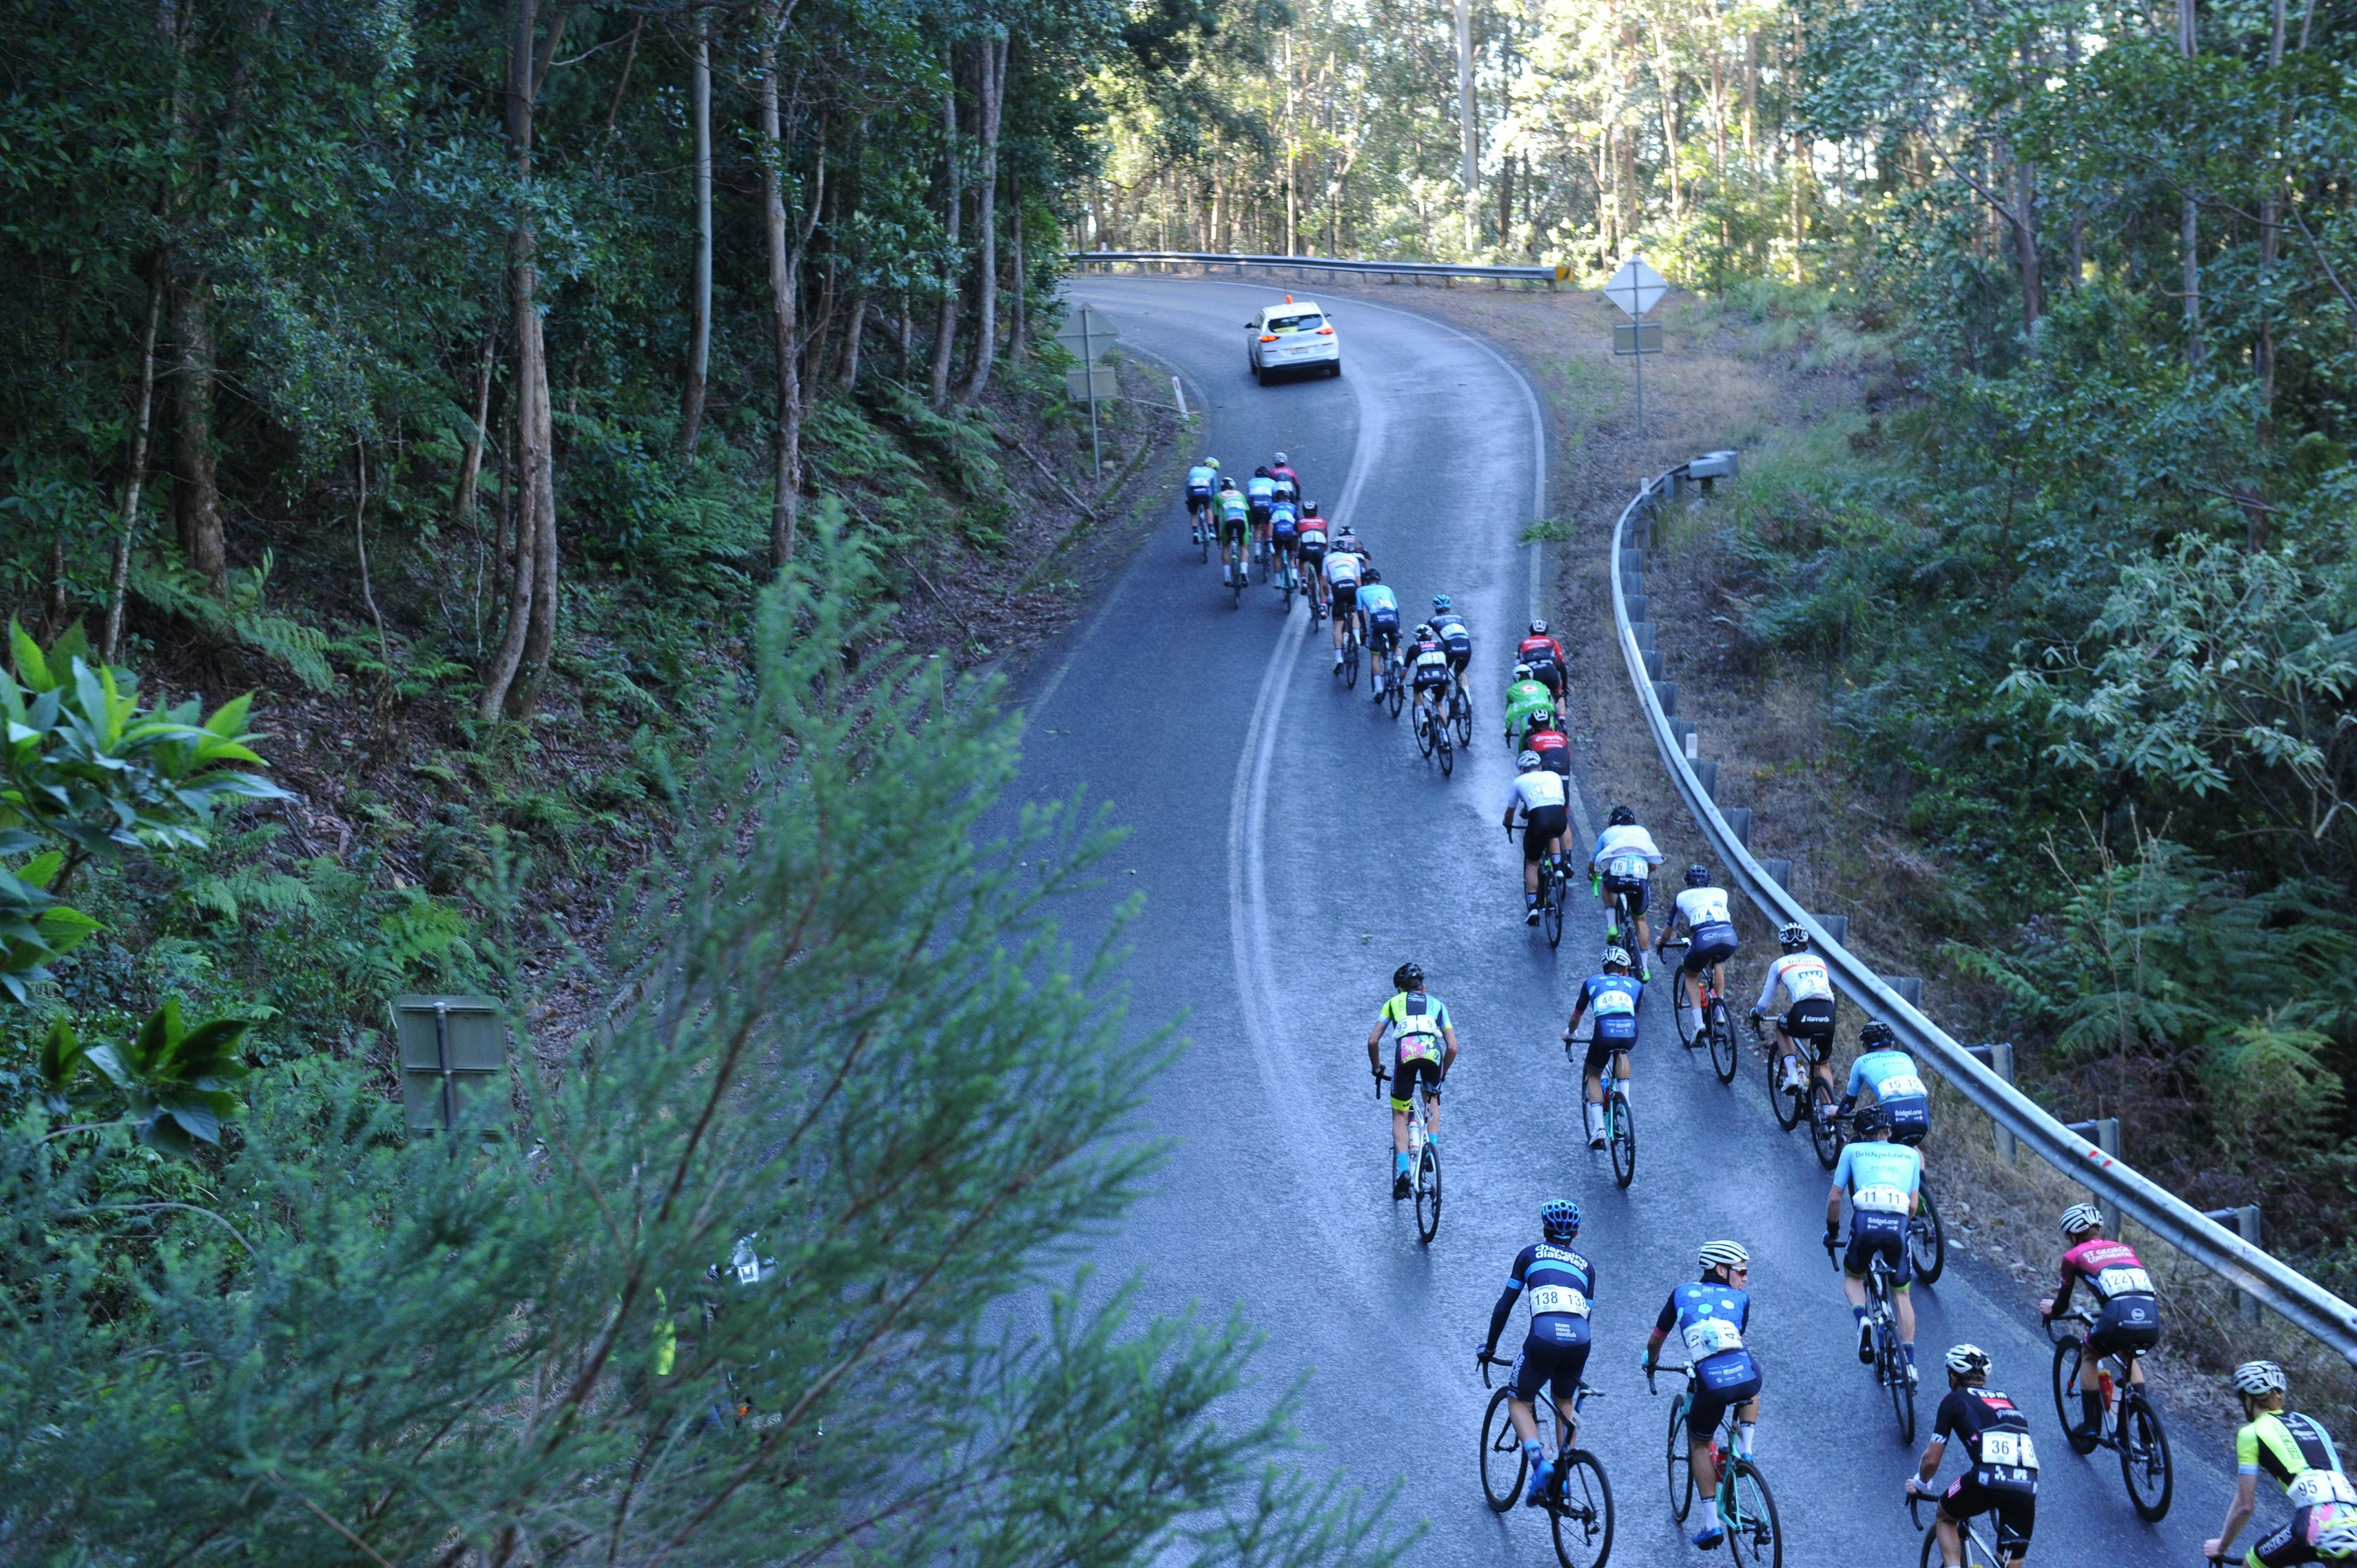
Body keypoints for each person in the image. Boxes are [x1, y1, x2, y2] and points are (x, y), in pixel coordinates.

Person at [1644, 1240, 1763, 1551]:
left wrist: (1651, 1362)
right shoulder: (1742, 1299)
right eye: (1742, 1271)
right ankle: (1745, 1453)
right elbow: (1735, 1340)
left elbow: (1656, 1340)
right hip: (1742, 1372)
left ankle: (1712, 1525)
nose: (1745, 1278)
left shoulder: (1681, 1293)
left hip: (1710, 1381)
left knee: (1699, 1442)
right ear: (1721, 1270)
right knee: (1750, 1382)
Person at [1479, 1199, 1598, 1506]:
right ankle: (1565, 1478)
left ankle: (1540, 1463)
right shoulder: (1587, 1268)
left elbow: (1505, 1305)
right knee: (1564, 1400)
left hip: (1544, 1338)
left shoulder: (1529, 1255)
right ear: (1577, 1233)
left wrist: (1490, 1348)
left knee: (1519, 1398)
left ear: (1544, 1229)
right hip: (1580, 1341)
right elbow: (1586, 1317)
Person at [2205, 1360, 2357, 1566]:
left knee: (2252, 1563)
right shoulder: (2312, 1423)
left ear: (2247, 1399)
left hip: (2316, 1521)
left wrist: (2221, 1546)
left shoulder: (2251, 1433)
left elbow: (2245, 1505)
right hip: (2352, 1517)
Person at [2037, 1204, 2160, 1441]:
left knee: (2090, 1354)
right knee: (2128, 1355)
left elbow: (2062, 1304)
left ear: (2073, 1236)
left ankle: (2091, 1426)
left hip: (2116, 1316)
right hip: (2151, 1318)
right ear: (2099, 1228)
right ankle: (2146, 1429)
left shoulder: (2073, 1256)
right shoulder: (2126, 1249)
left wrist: (2051, 1310)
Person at [1907, 1344, 2036, 1568]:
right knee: (2010, 1562)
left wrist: (1920, 1483)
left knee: (1946, 1517)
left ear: (1953, 1377)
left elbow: (1932, 1460)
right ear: (1983, 1379)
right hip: (2027, 1484)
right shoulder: (2006, 1399)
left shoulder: (1953, 1400)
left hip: (1987, 1479)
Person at [1826, 1104, 1923, 1382]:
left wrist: (1832, 1232)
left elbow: (1835, 1199)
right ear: (1889, 1131)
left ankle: (1863, 1321)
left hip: (1865, 1219)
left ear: (1859, 1135)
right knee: (1902, 1294)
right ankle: (1911, 1365)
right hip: (1898, 1221)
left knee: (1854, 1277)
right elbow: (1914, 1204)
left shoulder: (1852, 1151)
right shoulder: (1910, 1154)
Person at [1364, 962, 1459, 1198]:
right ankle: (1431, 1150)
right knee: (1432, 1099)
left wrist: (1377, 1068)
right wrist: (1441, 1075)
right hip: (1433, 1054)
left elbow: (1373, 1042)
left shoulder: (1392, 1003)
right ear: (1423, 988)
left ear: (1400, 990)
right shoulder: (1438, 1005)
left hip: (1405, 1054)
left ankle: (1404, 1172)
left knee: (1399, 1113)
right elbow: (1453, 1048)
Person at [1563, 946, 1642, 1149]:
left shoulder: (1591, 982)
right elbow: (1632, 1010)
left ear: (1604, 969)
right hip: (1629, 1031)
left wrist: (1570, 1034)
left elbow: (1576, 1017)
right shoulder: (1635, 984)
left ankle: (1599, 1128)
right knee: (1621, 1052)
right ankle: (1625, 1101)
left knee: (1594, 1073)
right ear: (1626, 970)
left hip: (1604, 1032)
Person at [1751, 922, 1838, 1104]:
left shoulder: (1779, 964)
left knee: (1781, 1026)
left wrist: (1756, 1013)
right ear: (1806, 945)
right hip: (1828, 1014)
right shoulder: (1819, 961)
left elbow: (1764, 1004)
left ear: (1784, 947)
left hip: (1803, 1013)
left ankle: (1792, 1075)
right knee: (1822, 1065)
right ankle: (1828, 1116)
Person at [1588, 806, 1664, 979]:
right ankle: (1644, 968)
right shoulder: (1643, 832)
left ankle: (1612, 927)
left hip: (1617, 875)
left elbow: (1593, 862)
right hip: (1640, 875)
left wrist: (1593, 875)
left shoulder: (1608, 833)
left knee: (1607, 881)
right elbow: (1654, 863)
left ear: (1612, 823)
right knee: (1640, 920)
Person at [1656, 864, 1738, 1025]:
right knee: (1716, 962)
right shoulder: (1721, 893)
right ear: (1709, 883)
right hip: (1730, 937)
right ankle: (1720, 1010)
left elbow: (1668, 931)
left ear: (1687, 883)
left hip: (1704, 939)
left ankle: (1699, 1024)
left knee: (1691, 974)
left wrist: (1661, 941)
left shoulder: (1682, 897)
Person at [1501, 751, 1569, 925]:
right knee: (1553, 834)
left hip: (1539, 819)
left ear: (1522, 770)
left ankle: (1533, 908)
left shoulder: (1519, 781)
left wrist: (1507, 824)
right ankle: (1558, 867)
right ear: (1540, 767)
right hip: (1560, 818)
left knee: (1532, 862)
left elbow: (1511, 812)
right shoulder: (1553, 775)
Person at [1840, 1020, 1932, 1146]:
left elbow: (1849, 1103)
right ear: (1892, 1044)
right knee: (1913, 1149)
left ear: (1866, 1045)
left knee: (1859, 1143)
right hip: (1922, 1120)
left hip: (1895, 1118)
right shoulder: (1905, 1058)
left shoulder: (1861, 1062)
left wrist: (1838, 1112)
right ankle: (1920, 1167)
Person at [1325, 532, 1367, 664]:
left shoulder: (1328, 559)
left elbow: (1323, 582)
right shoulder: (1353, 559)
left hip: (1338, 588)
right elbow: (1359, 583)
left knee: (1338, 625)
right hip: (1352, 586)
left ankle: (1338, 658)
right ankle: (1357, 636)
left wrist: (1329, 597)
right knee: (1354, 611)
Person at [1359, 568, 1402, 695]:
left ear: (1366, 581)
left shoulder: (1360, 590)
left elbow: (1360, 613)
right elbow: (1397, 611)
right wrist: (1398, 628)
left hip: (1377, 621)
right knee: (1396, 646)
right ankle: (1399, 661)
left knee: (1375, 656)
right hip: (1392, 618)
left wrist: (1365, 629)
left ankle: (1378, 687)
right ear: (1379, 581)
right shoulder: (1387, 589)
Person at [1407, 621, 1454, 724]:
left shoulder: (1413, 648)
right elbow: (1445, 667)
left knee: (1417, 691)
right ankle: (1444, 736)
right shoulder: (1441, 645)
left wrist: (1399, 683)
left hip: (1424, 677)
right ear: (1431, 636)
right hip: (1441, 677)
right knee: (1439, 704)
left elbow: (1405, 670)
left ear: (1416, 638)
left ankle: (1423, 716)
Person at [1431, 594, 1474, 699]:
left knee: (1442, 671)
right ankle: (1468, 697)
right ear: (1450, 607)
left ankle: (1444, 701)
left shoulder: (1433, 620)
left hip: (1451, 650)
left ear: (1435, 609)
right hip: (1466, 649)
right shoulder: (1459, 618)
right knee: (1461, 671)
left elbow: (1428, 639)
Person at [1504, 662, 1555, 745]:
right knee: (1555, 736)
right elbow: (1549, 701)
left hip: (1527, 716)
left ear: (1516, 679)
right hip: (1545, 714)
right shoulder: (1541, 685)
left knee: (1524, 743)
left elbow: (1509, 711)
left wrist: (1508, 730)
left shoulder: (1511, 690)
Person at [1215, 474, 1251, 588]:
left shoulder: (1217, 496)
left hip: (1228, 520)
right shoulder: (1239, 494)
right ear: (1233, 487)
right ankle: (1244, 571)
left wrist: (1218, 535)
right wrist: (1249, 531)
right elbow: (1249, 514)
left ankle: (1227, 577)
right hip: (1242, 519)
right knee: (1244, 548)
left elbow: (1216, 518)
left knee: (1226, 547)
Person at [1518, 620, 1568, 698]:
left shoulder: (1523, 643)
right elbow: (1562, 665)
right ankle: (1561, 707)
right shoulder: (1552, 642)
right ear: (1546, 632)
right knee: (1559, 695)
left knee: (1533, 698)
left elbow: (1518, 667)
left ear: (1531, 632)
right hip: (1550, 671)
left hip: (1533, 673)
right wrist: (1564, 687)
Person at [1297, 502, 1330, 615]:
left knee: (1302, 560)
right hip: (1320, 550)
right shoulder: (1323, 522)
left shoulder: (1300, 522)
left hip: (1306, 548)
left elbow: (1297, 539)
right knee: (1321, 579)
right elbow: (1326, 541)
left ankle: (1304, 580)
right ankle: (1323, 607)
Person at [1522, 711, 1571, 779]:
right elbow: (1568, 756)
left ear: (1533, 729)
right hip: (1564, 773)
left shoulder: (1531, 741)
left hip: (1545, 776)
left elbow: (1526, 764)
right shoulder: (1563, 737)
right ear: (1550, 725)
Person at [1268, 492, 1301, 591]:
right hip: (1290, 534)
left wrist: (1269, 540)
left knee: (1277, 555)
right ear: (1287, 498)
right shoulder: (1292, 506)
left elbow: (1269, 522)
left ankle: (1277, 580)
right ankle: (1295, 576)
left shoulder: (1273, 506)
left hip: (1278, 534)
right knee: (1291, 555)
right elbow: (1297, 523)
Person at [1246, 465, 1277, 560]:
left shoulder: (1251, 482)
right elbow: (1275, 498)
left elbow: (1248, 499)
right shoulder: (1272, 482)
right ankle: (1271, 545)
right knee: (1270, 523)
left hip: (1255, 505)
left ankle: (1257, 551)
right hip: (1267, 505)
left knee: (1257, 527)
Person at [1185, 456, 1219, 537]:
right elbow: (1214, 487)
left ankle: (1195, 532)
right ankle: (1211, 530)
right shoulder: (1213, 472)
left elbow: (1188, 486)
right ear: (1213, 467)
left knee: (1194, 513)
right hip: (1205, 492)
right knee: (1208, 508)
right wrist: (1214, 498)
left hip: (1194, 492)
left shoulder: (1194, 469)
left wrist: (1188, 497)